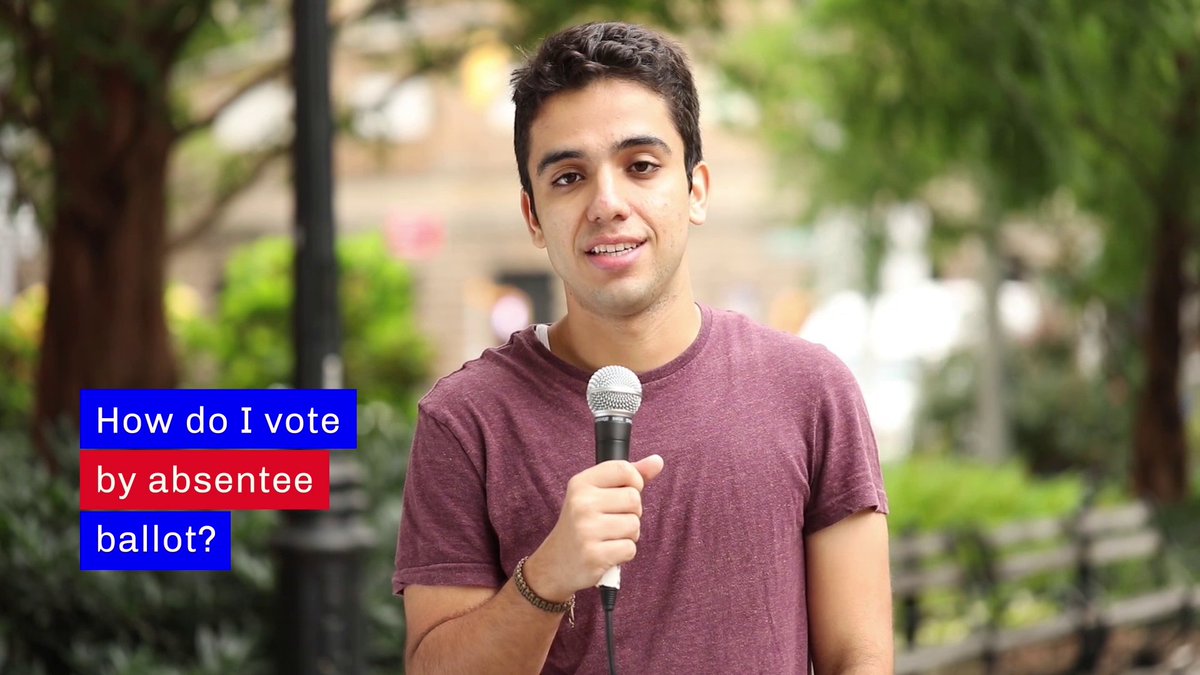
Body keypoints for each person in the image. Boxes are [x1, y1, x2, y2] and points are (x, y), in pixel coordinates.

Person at [393, 21, 892, 674]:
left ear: (697, 189)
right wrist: (545, 577)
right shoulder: (464, 420)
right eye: (569, 177)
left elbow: (860, 655)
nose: (607, 202)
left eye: (642, 166)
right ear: (533, 217)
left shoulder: (810, 389)